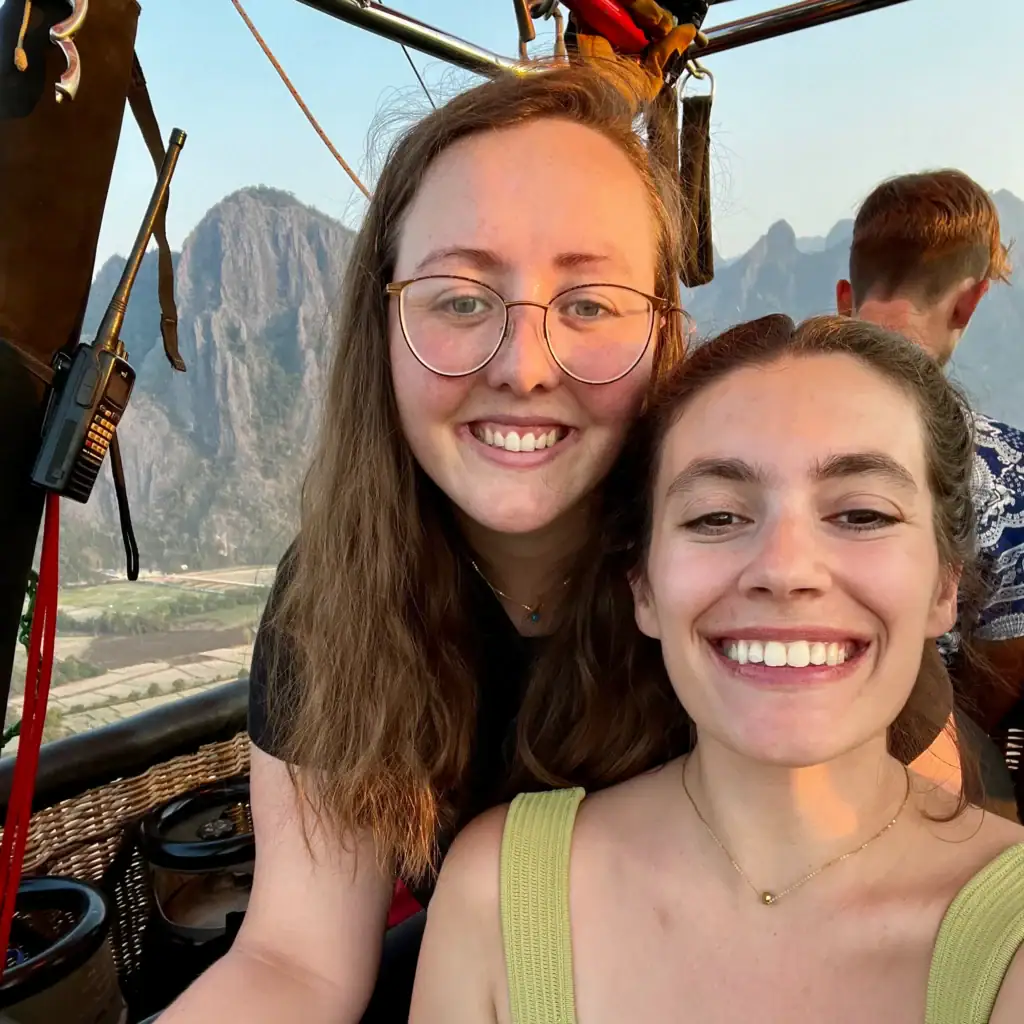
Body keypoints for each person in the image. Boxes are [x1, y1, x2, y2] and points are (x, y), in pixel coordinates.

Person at [158, 60, 694, 1024]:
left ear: (661, 332)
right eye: (458, 299)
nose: (525, 368)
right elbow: (297, 958)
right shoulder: (338, 594)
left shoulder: (745, 560)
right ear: (384, 325)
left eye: (591, 303)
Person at [410, 315, 1024, 1024]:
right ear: (642, 584)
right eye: (716, 518)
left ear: (944, 585)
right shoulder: (502, 892)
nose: (786, 569)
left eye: (860, 514)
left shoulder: (1008, 935)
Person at [837, 170, 1024, 801]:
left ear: (844, 295)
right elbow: (999, 679)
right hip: (932, 772)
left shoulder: (738, 429)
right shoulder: (1010, 472)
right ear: (970, 303)